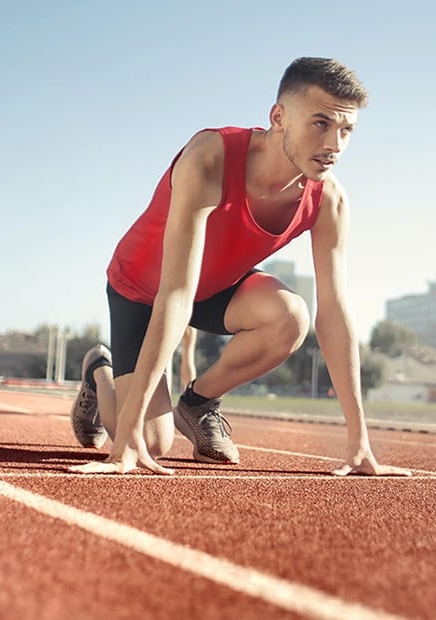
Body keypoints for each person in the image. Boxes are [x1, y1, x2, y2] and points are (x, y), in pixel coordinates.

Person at [69, 57, 411, 478]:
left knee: (290, 317)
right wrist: (127, 437)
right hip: (142, 289)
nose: (335, 144)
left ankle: (197, 404)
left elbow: (335, 313)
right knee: (152, 441)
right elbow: (175, 291)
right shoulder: (209, 158)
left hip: (214, 289)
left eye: (347, 130)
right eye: (321, 124)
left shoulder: (329, 200)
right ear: (279, 117)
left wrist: (359, 441)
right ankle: (99, 373)